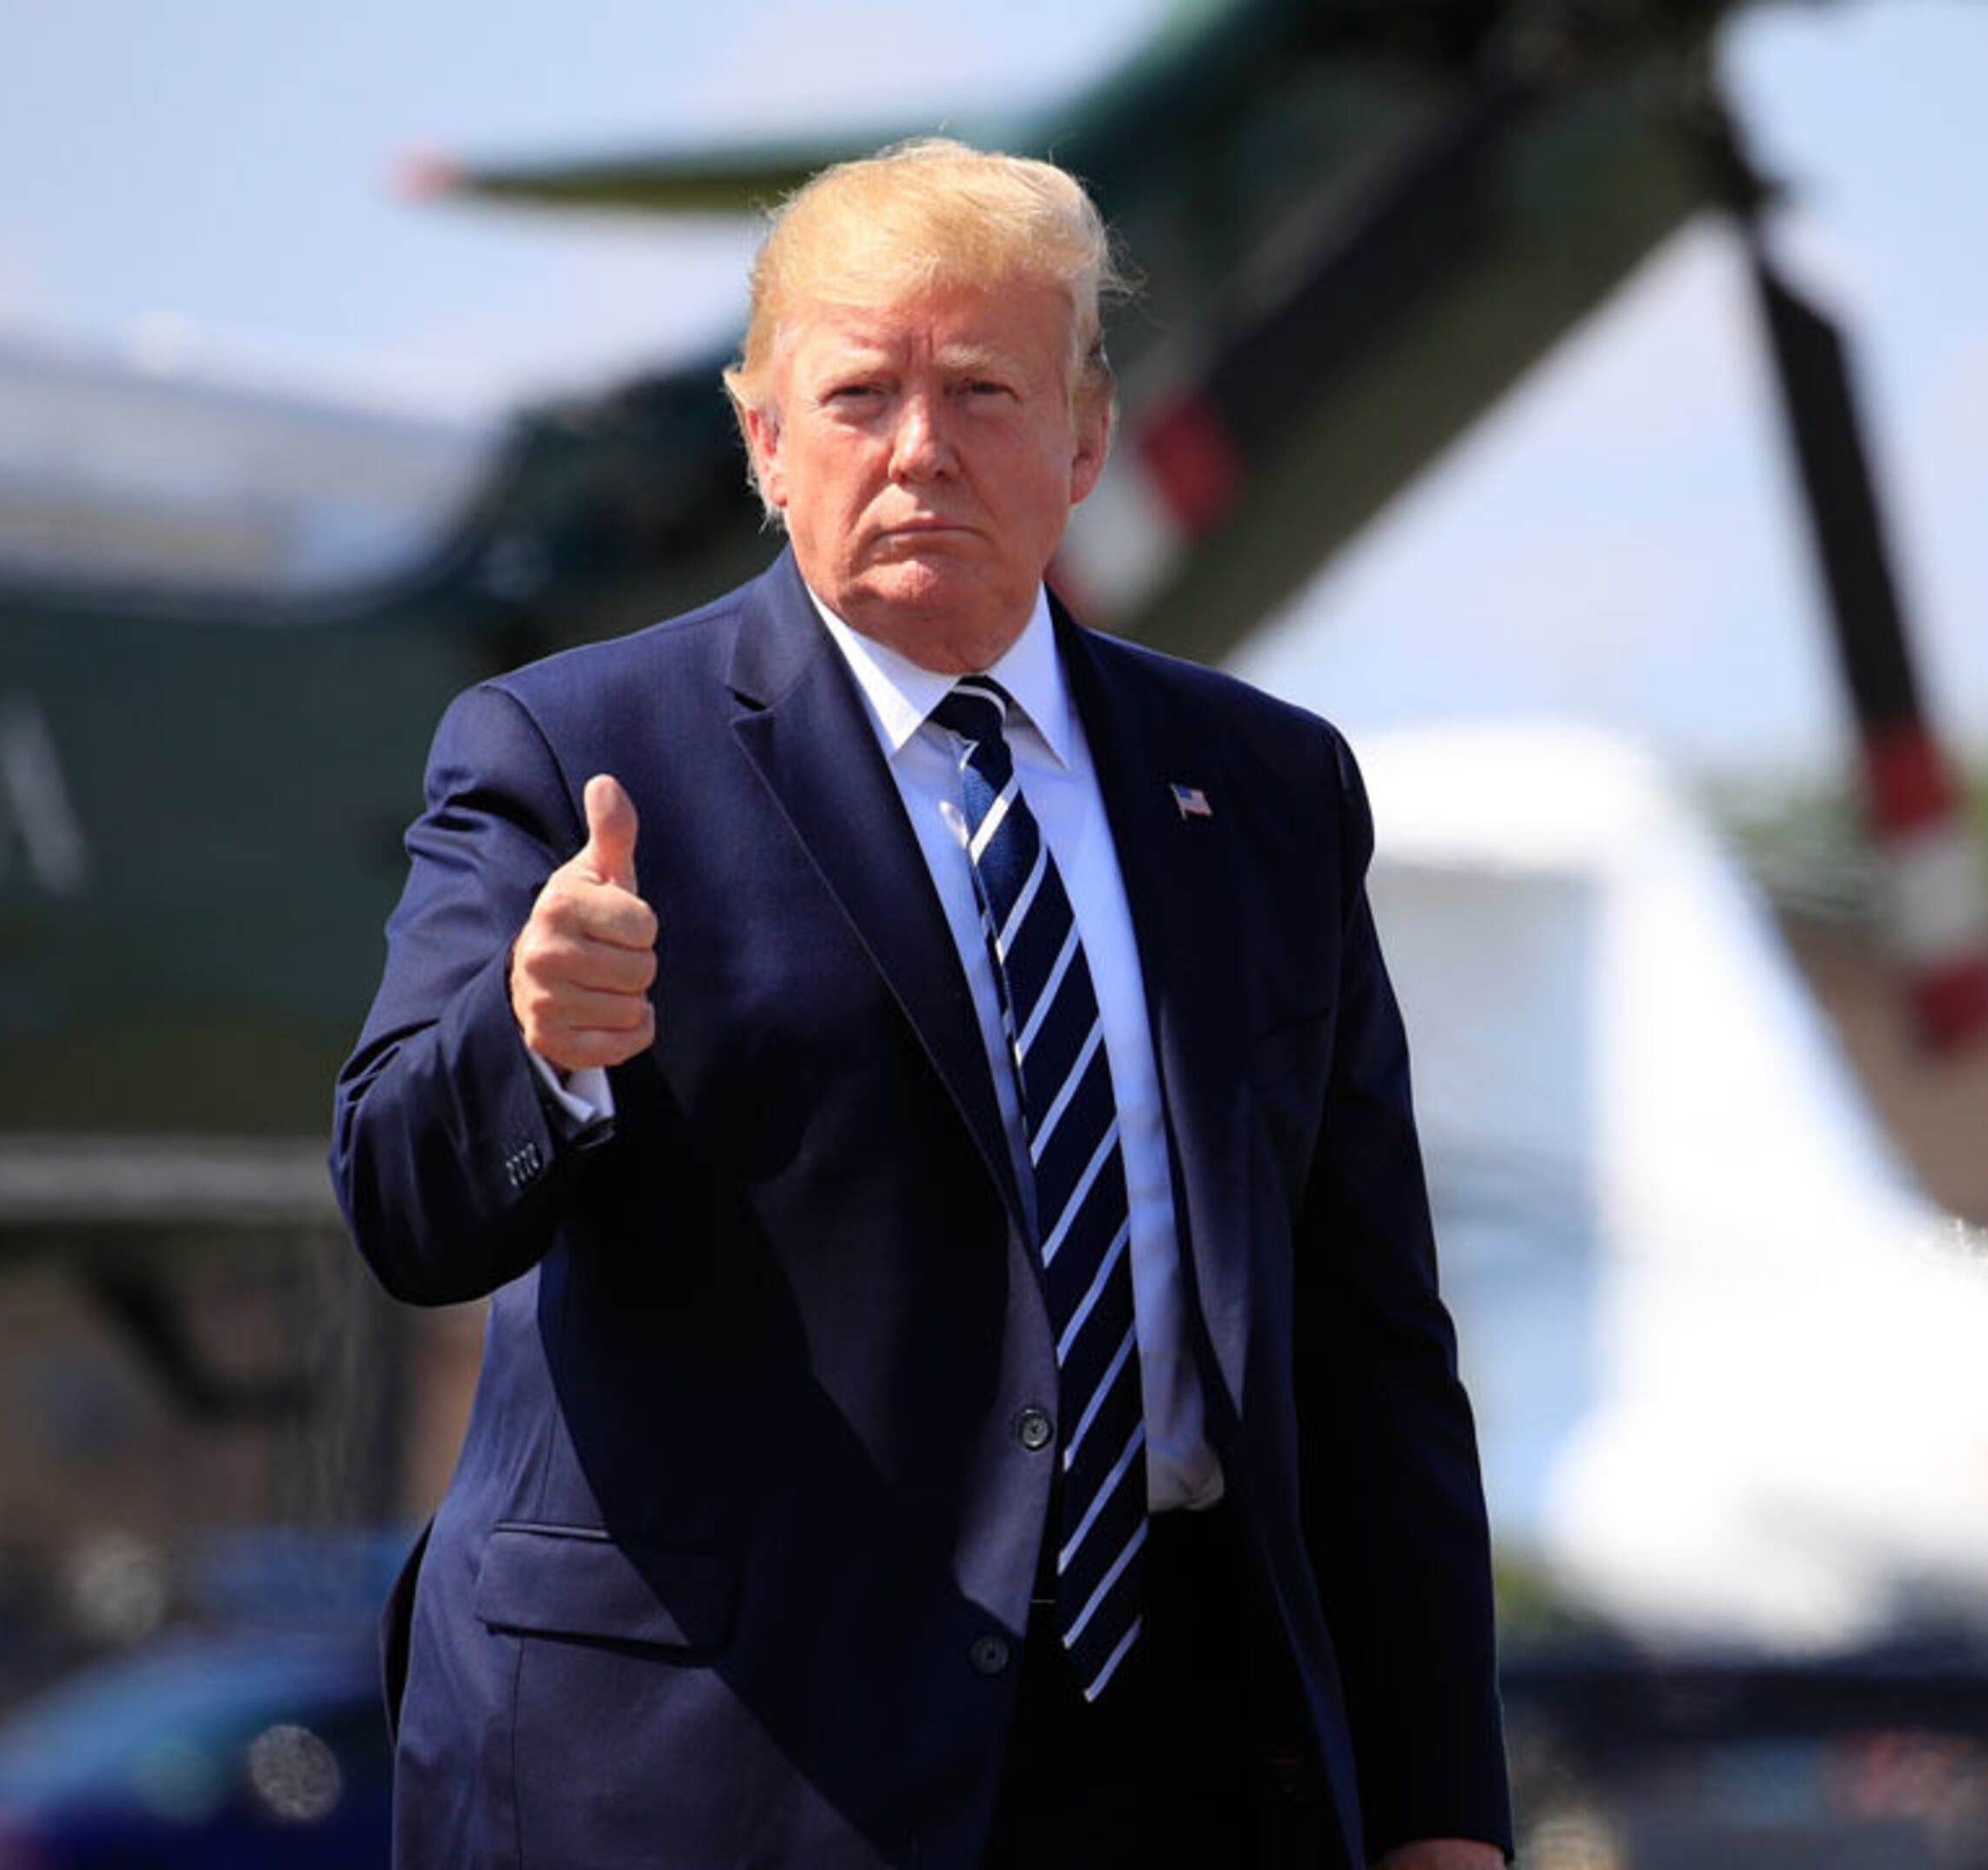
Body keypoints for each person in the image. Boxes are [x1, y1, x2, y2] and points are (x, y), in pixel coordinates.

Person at [330, 139, 1510, 1870]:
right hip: (718, 1763)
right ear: (765, 440)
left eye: (981, 390)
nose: (919, 448)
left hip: (1179, 1762)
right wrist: (536, 1044)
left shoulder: (1262, 791)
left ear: (1089, 434)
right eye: (860, 391)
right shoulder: (569, 752)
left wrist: (1438, 1817)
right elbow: (404, 1206)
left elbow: (1371, 1344)